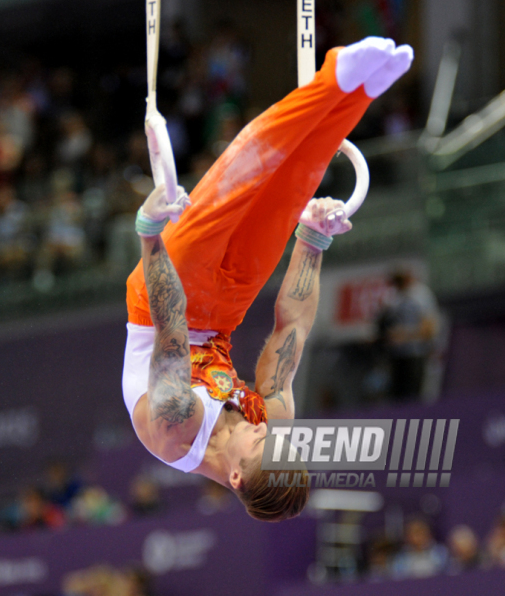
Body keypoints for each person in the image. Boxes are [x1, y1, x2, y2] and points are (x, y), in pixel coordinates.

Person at [123, 37, 414, 522]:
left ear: (235, 477)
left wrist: (150, 235)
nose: (269, 434)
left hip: (163, 298)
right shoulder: (272, 427)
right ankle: (361, 93)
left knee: (245, 173)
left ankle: (337, 75)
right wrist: (314, 240)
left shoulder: (175, 428)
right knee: (291, 186)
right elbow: (290, 331)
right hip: (223, 314)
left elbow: (171, 328)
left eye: (263, 446)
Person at [376, 269, 439, 401]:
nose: (397, 286)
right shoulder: (393, 297)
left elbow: (429, 330)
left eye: (399, 282)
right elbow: (384, 324)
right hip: (397, 355)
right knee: (397, 397)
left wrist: (404, 336)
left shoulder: (421, 295)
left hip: (416, 354)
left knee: (415, 396)